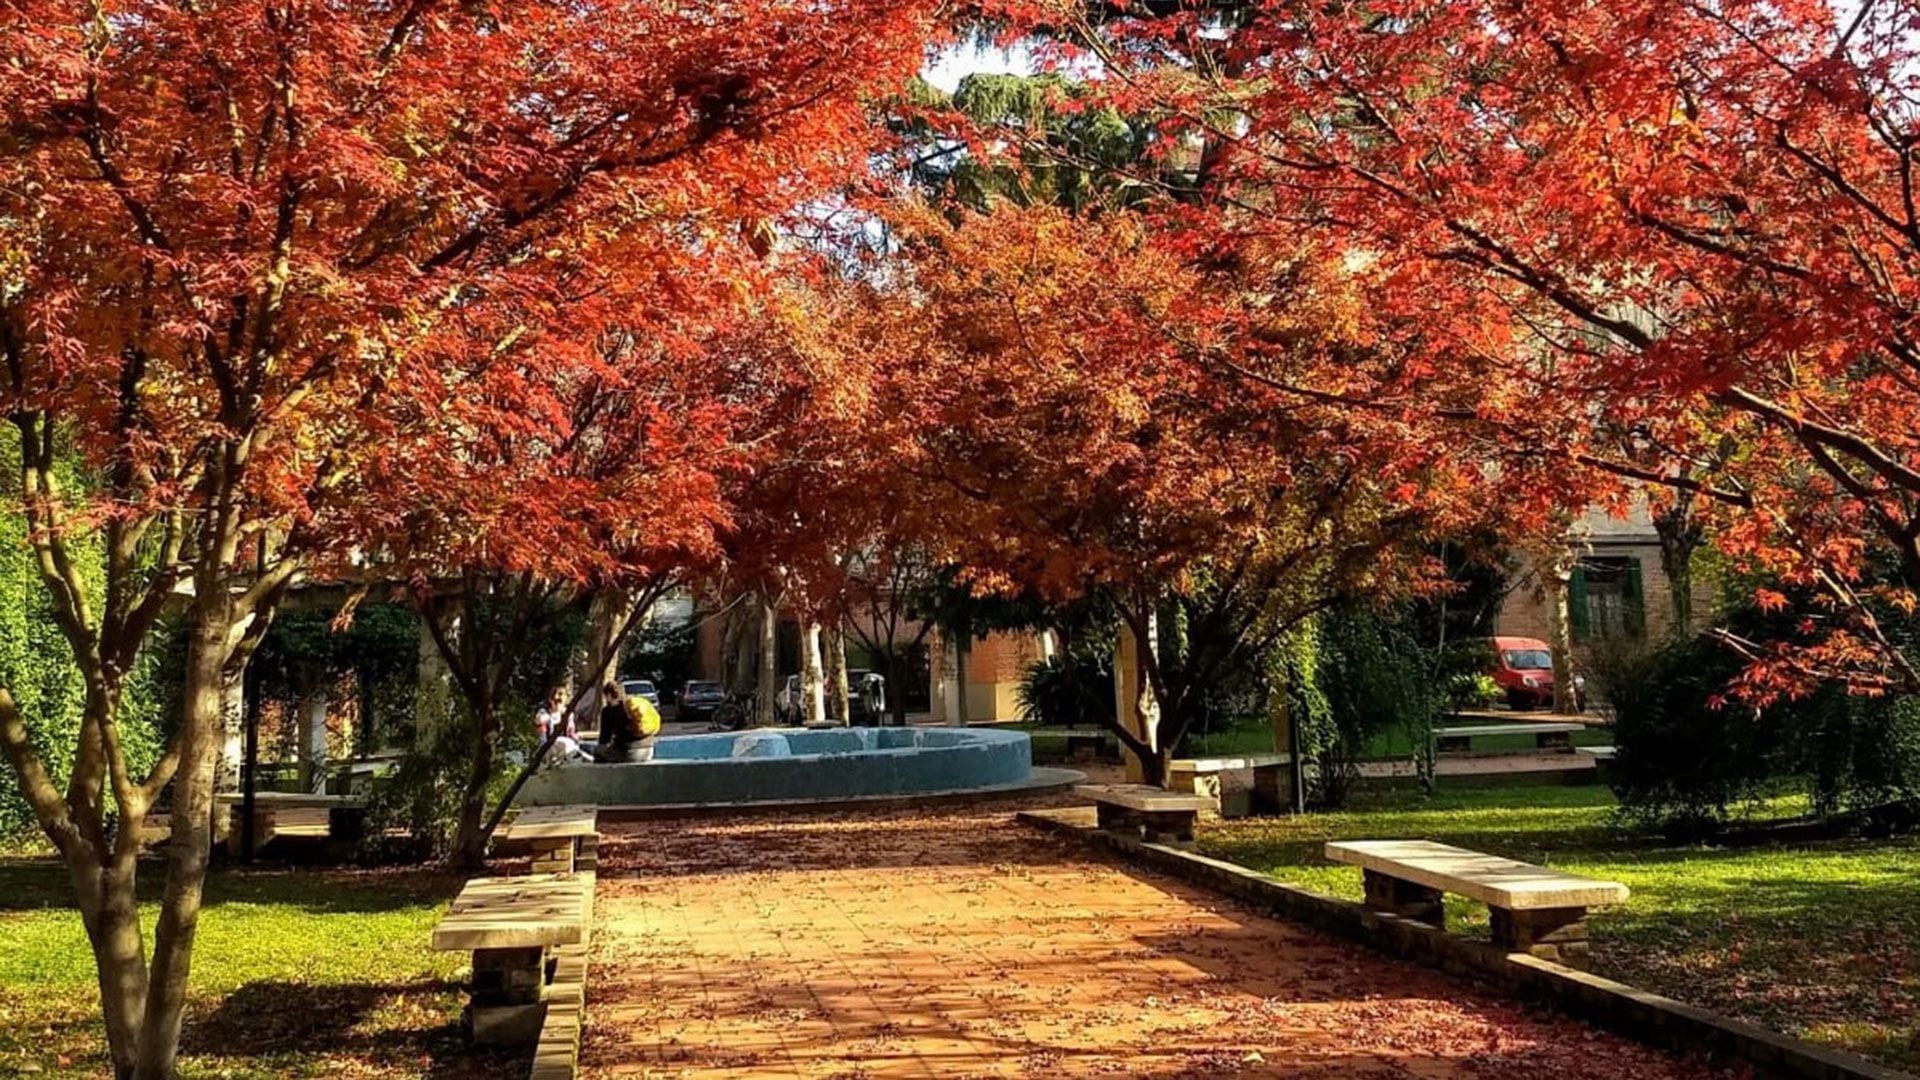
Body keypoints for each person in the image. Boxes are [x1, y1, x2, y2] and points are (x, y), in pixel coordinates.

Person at [593, 680, 660, 763]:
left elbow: (604, 739)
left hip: (630, 753)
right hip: (649, 751)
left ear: (608, 695)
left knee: (598, 751)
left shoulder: (608, 711)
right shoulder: (633, 704)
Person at [535, 687, 586, 763]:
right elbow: (538, 721)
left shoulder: (568, 715)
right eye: (555, 701)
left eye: (560, 702)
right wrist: (552, 716)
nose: (558, 704)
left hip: (565, 748)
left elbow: (571, 733)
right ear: (550, 700)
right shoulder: (544, 712)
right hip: (547, 747)